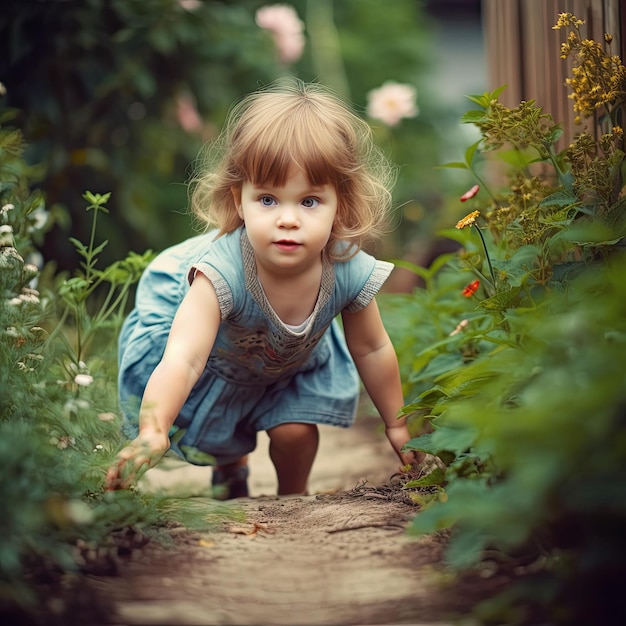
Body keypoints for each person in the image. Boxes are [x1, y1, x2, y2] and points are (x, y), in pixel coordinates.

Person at [105, 78, 422, 498]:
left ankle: (293, 502)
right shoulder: (221, 272)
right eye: (268, 200)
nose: (287, 219)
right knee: (219, 431)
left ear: (339, 204)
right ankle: (231, 467)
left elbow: (372, 348)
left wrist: (397, 423)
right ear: (240, 200)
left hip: (286, 367)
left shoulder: (346, 269)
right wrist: (154, 430)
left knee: (296, 433)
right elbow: (185, 356)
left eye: (309, 201)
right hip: (216, 358)